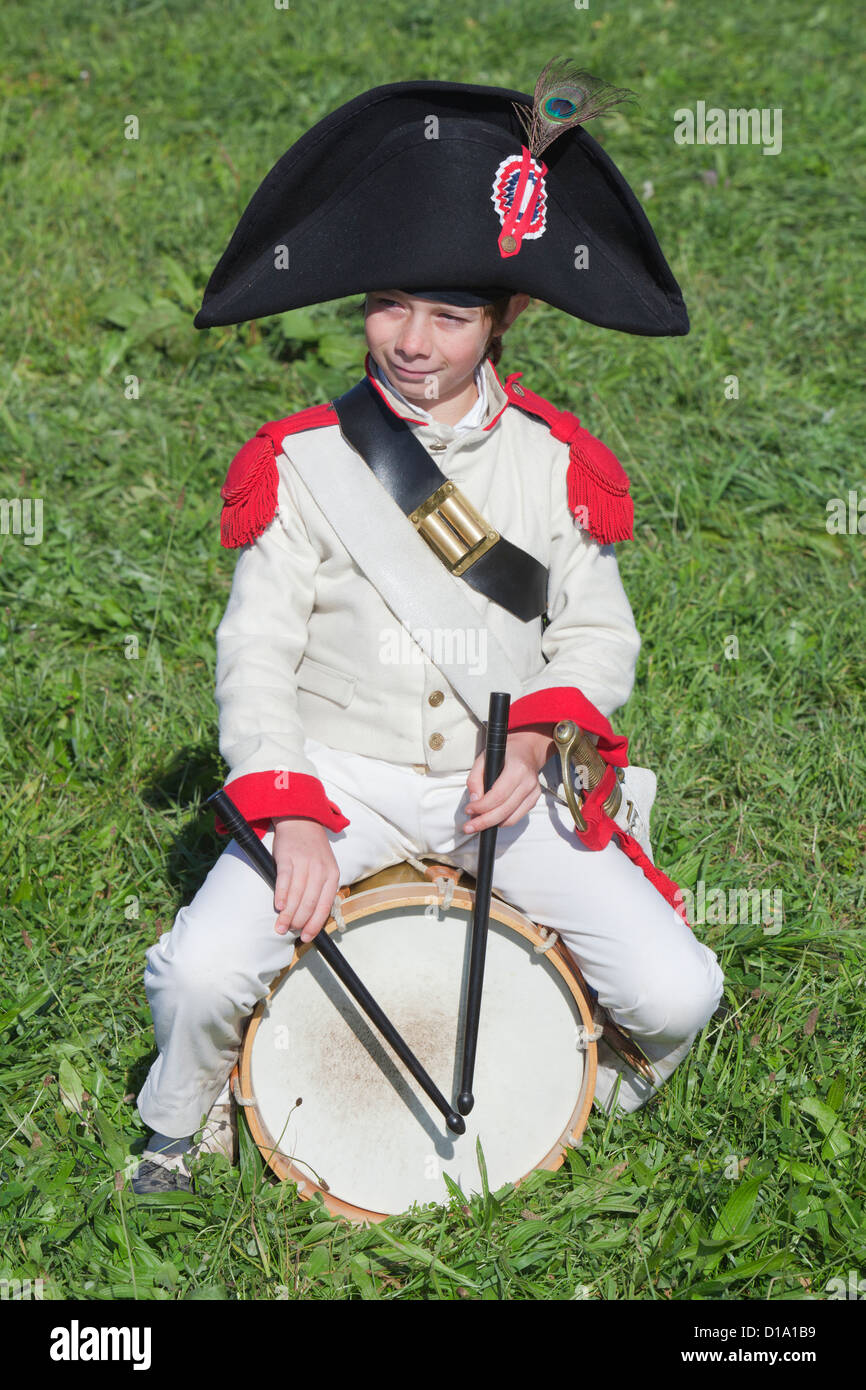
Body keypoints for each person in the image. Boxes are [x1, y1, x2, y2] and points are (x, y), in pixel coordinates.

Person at [132, 65, 724, 1193]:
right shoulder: (302, 463)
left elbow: (597, 637)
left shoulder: (555, 463)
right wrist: (291, 814)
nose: (410, 341)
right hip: (337, 778)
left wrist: (536, 738)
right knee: (201, 974)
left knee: (678, 991)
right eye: (389, 305)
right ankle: (179, 1120)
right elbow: (255, 658)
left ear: (504, 319)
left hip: (495, 780)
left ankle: (566, 1085)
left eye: (449, 316)